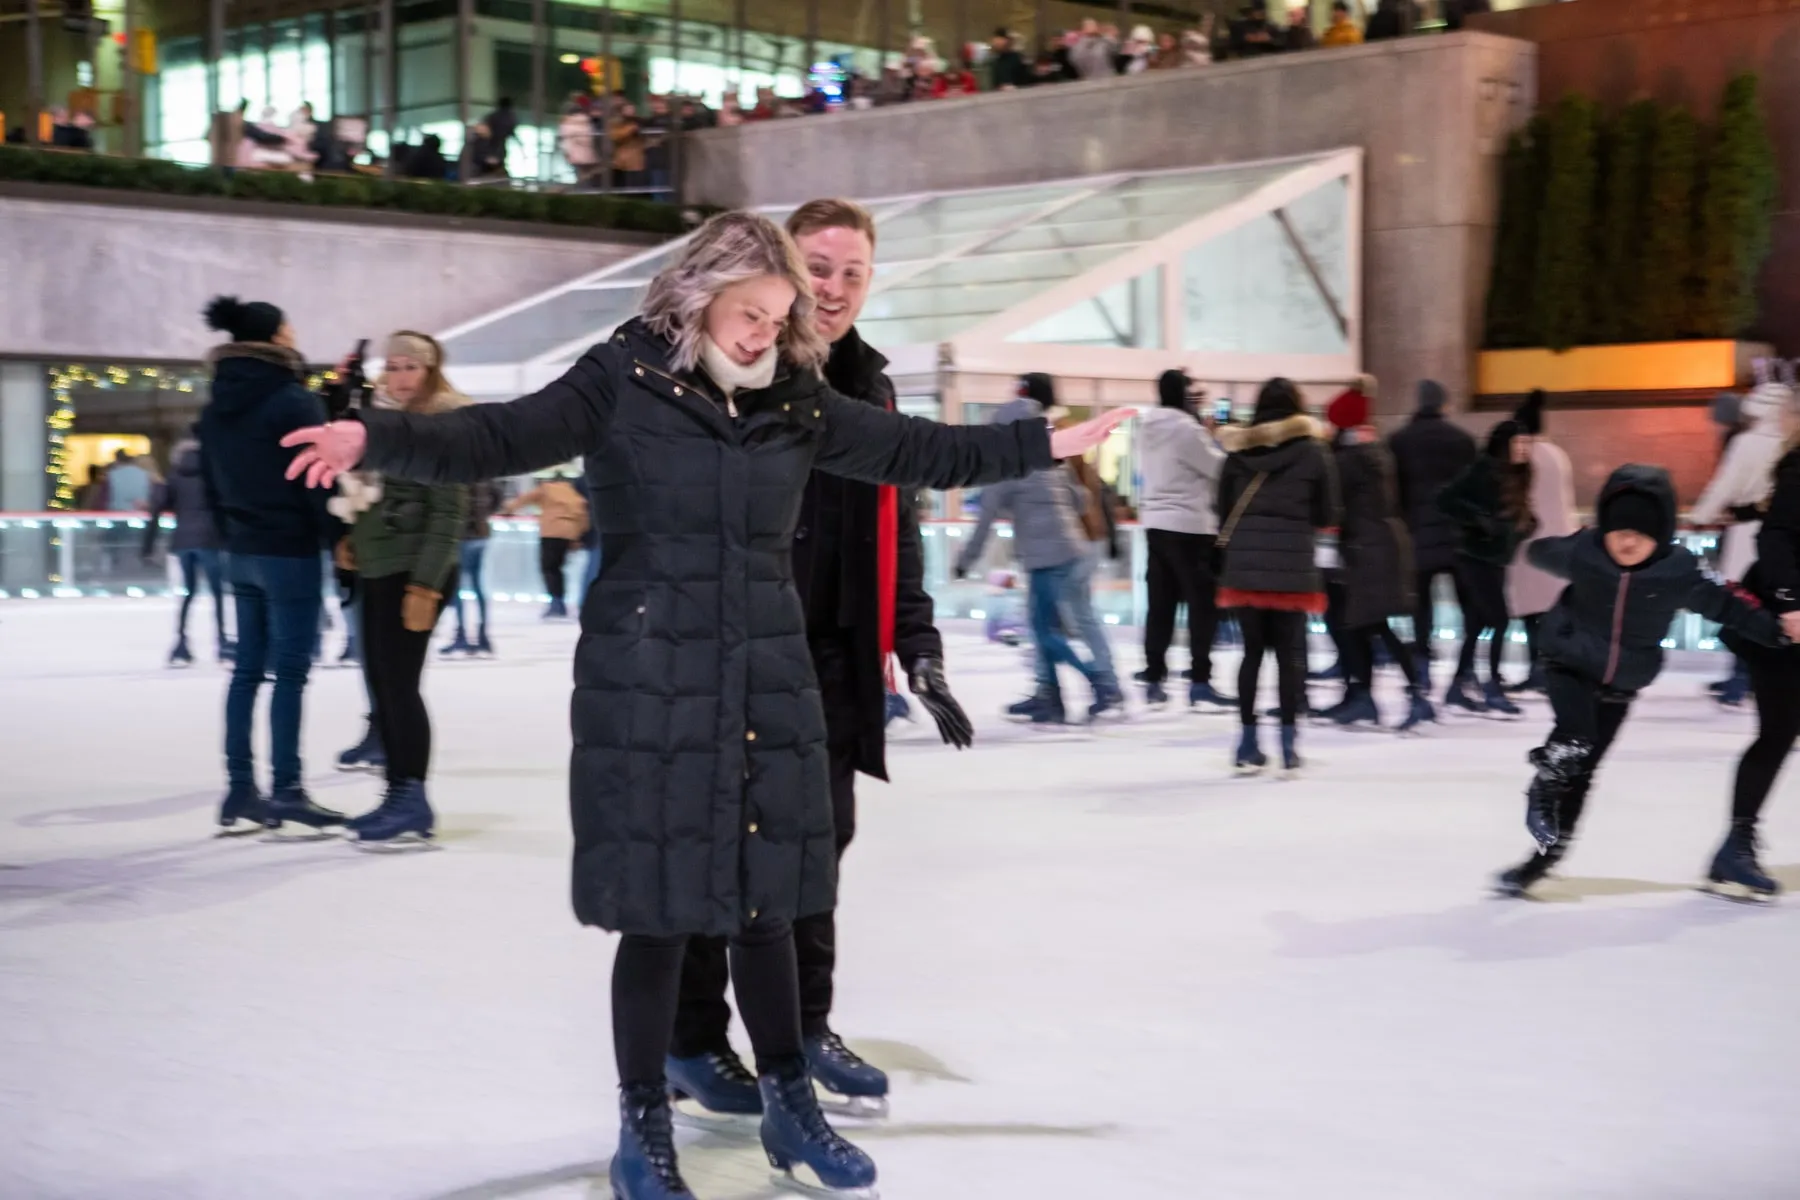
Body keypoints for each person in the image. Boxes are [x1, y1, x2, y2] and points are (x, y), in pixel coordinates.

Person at [279, 210, 1127, 1200]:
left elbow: (913, 450)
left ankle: (788, 1105)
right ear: (701, 294)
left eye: (779, 317)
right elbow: (498, 435)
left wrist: (1044, 442)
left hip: (768, 672)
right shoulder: (622, 379)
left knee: (767, 900)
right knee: (663, 912)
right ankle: (643, 1128)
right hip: (649, 682)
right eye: (751, 311)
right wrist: (373, 435)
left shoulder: (796, 401)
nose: (765, 333)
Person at [670, 199, 975, 1127]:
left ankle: (803, 1030)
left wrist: (915, 646)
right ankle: (690, 1040)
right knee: (717, 857)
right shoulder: (734, 368)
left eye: (853, 272)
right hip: (734, 657)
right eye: (819, 266)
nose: (834, 288)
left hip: (837, 664)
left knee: (815, 854)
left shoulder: (872, 390)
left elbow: (899, 527)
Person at [1494, 465, 1786, 898]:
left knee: (1586, 769)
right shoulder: (1585, 552)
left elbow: (1730, 606)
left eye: (1641, 533)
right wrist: (1561, 541)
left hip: (1622, 681)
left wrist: (1775, 631)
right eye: (1617, 531)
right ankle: (1544, 781)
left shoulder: (1679, 571)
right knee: (1575, 737)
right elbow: (1539, 553)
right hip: (1568, 662)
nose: (1627, 541)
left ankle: (1546, 856)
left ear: (1662, 534)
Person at [196, 296, 340, 834]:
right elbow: (313, 479)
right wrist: (332, 535)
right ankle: (287, 790)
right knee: (291, 674)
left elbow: (210, 484)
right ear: (277, 337)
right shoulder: (290, 399)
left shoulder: (214, 407)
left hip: (242, 551)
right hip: (289, 551)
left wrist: (232, 535)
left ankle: (239, 790)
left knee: (247, 671)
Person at [328, 332, 469, 846]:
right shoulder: (382, 423)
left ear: (430, 371)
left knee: (401, 688)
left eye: (412, 366)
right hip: (379, 568)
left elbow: (448, 516)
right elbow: (372, 492)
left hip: (414, 572)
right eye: (393, 366)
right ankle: (395, 794)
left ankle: (411, 798)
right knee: (384, 688)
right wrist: (352, 538)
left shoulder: (444, 426)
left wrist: (426, 588)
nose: (400, 376)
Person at [956, 374, 1125, 724]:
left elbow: (985, 518)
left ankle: (1099, 683)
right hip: (1069, 546)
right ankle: (1051, 696)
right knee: (1047, 625)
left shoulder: (1008, 464)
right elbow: (1080, 497)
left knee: (1048, 630)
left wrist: (964, 561)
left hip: (1048, 554)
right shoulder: (1046, 450)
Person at [1216, 378, 1338, 775]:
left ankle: (1247, 741)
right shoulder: (1315, 452)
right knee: (1289, 656)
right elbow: (1327, 515)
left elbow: (1220, 509)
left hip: (1245, 566)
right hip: (1292, 567)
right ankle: (1288, 745)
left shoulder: (1237, 453)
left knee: (1251, 653)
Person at [1715, 400, 1800, 898]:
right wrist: (1791, 605)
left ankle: (1734, 846)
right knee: (1777, 733)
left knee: (1779, 733)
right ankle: (1736, 844)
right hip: (1783, 625)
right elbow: (1777, 539)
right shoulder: (1798, 468)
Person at [1324, 384, 1433, 733]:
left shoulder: (1346, 460)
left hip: (1364, 549)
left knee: (1366, 625)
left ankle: (1411, 694)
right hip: (1383, 545)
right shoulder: (1377, 452)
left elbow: (1333, 507)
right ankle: (1366, 697)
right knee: (1363, 624)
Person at [1691, 366, 1793, 708]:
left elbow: (1726, 484)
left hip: (1750, 532)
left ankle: (1740, 678)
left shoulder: (1747, 443)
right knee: (1774, 607)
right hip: (1785, 538)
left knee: (1743, 604)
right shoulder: (1789, 444)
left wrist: (1701, 516)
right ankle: (1744, 677)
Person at [1136, 369, 1233, 711]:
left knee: (1160, 604)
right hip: (1190, 526)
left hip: (1156, 524)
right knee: (1200, 606)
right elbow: (1219, 469)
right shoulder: (1186, 430)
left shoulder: (1147, 428)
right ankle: (1200, 680)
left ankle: (1153, 675)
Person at [1436, 407, 1536, 718]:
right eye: (1518, 444)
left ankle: (1456, 686)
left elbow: (1514, 514)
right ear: (1503, 444)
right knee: (1500, 621)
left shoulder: (1518, 473)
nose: (1523, 450)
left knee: (1478, 625)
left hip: (1496, 559)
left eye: (1526, 444)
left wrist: (1525, 527)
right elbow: (1446, 499)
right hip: (1474, 557)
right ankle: (1491, 686)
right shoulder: (1483, 468)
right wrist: (1479, 521)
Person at [1388, 379, 1477, 687]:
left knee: (1420, 605)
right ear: (1443, 404)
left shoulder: (1399, 441)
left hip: (1417, 535)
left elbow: (1392, 492)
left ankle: (1422, 668)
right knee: (1468, 605)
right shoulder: (1462, 440)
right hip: (1457, 536)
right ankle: (1465, 671)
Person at [1505, 391, 1576, 695]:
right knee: (1551, 610)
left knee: (1532, 613)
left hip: (1530, 541)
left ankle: (1538, 668)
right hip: (1560, 539)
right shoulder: (1557, 454)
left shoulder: (1526, 455)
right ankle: (1554, 669)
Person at [145, 428, 231, 666]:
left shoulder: (174, 475)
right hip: (210, 540)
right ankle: (223, 642)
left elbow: (158, 508)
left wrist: (148, 545)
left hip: (182, 542)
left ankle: (181, 642)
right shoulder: (212, 474)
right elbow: (224, 506)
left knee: (188, 592)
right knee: (217, 593)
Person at [503, 467, 589, 619]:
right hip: (568, 533)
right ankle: (560, 602)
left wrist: (508, 509)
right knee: (558, 569)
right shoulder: (573, 494)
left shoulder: (547, 489)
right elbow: (582, 513)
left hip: (550, 532)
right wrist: (577, 536)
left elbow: (525, 499)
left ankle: (556, 604)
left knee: (548, 568)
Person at [442, 479, 503, 657]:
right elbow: (497, 496)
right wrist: (484, 515)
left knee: (458, 588)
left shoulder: (458, 477)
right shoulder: (484, 476)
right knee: (478, 585)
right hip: (482, 534)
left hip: (462, 536)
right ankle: (483, 636)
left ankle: (461, 635)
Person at [105, 449, 152, 513]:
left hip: (117, 512)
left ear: (117, 460)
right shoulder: (144, 474)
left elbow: (104, 499)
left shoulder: (112, 475)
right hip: (140, 512)